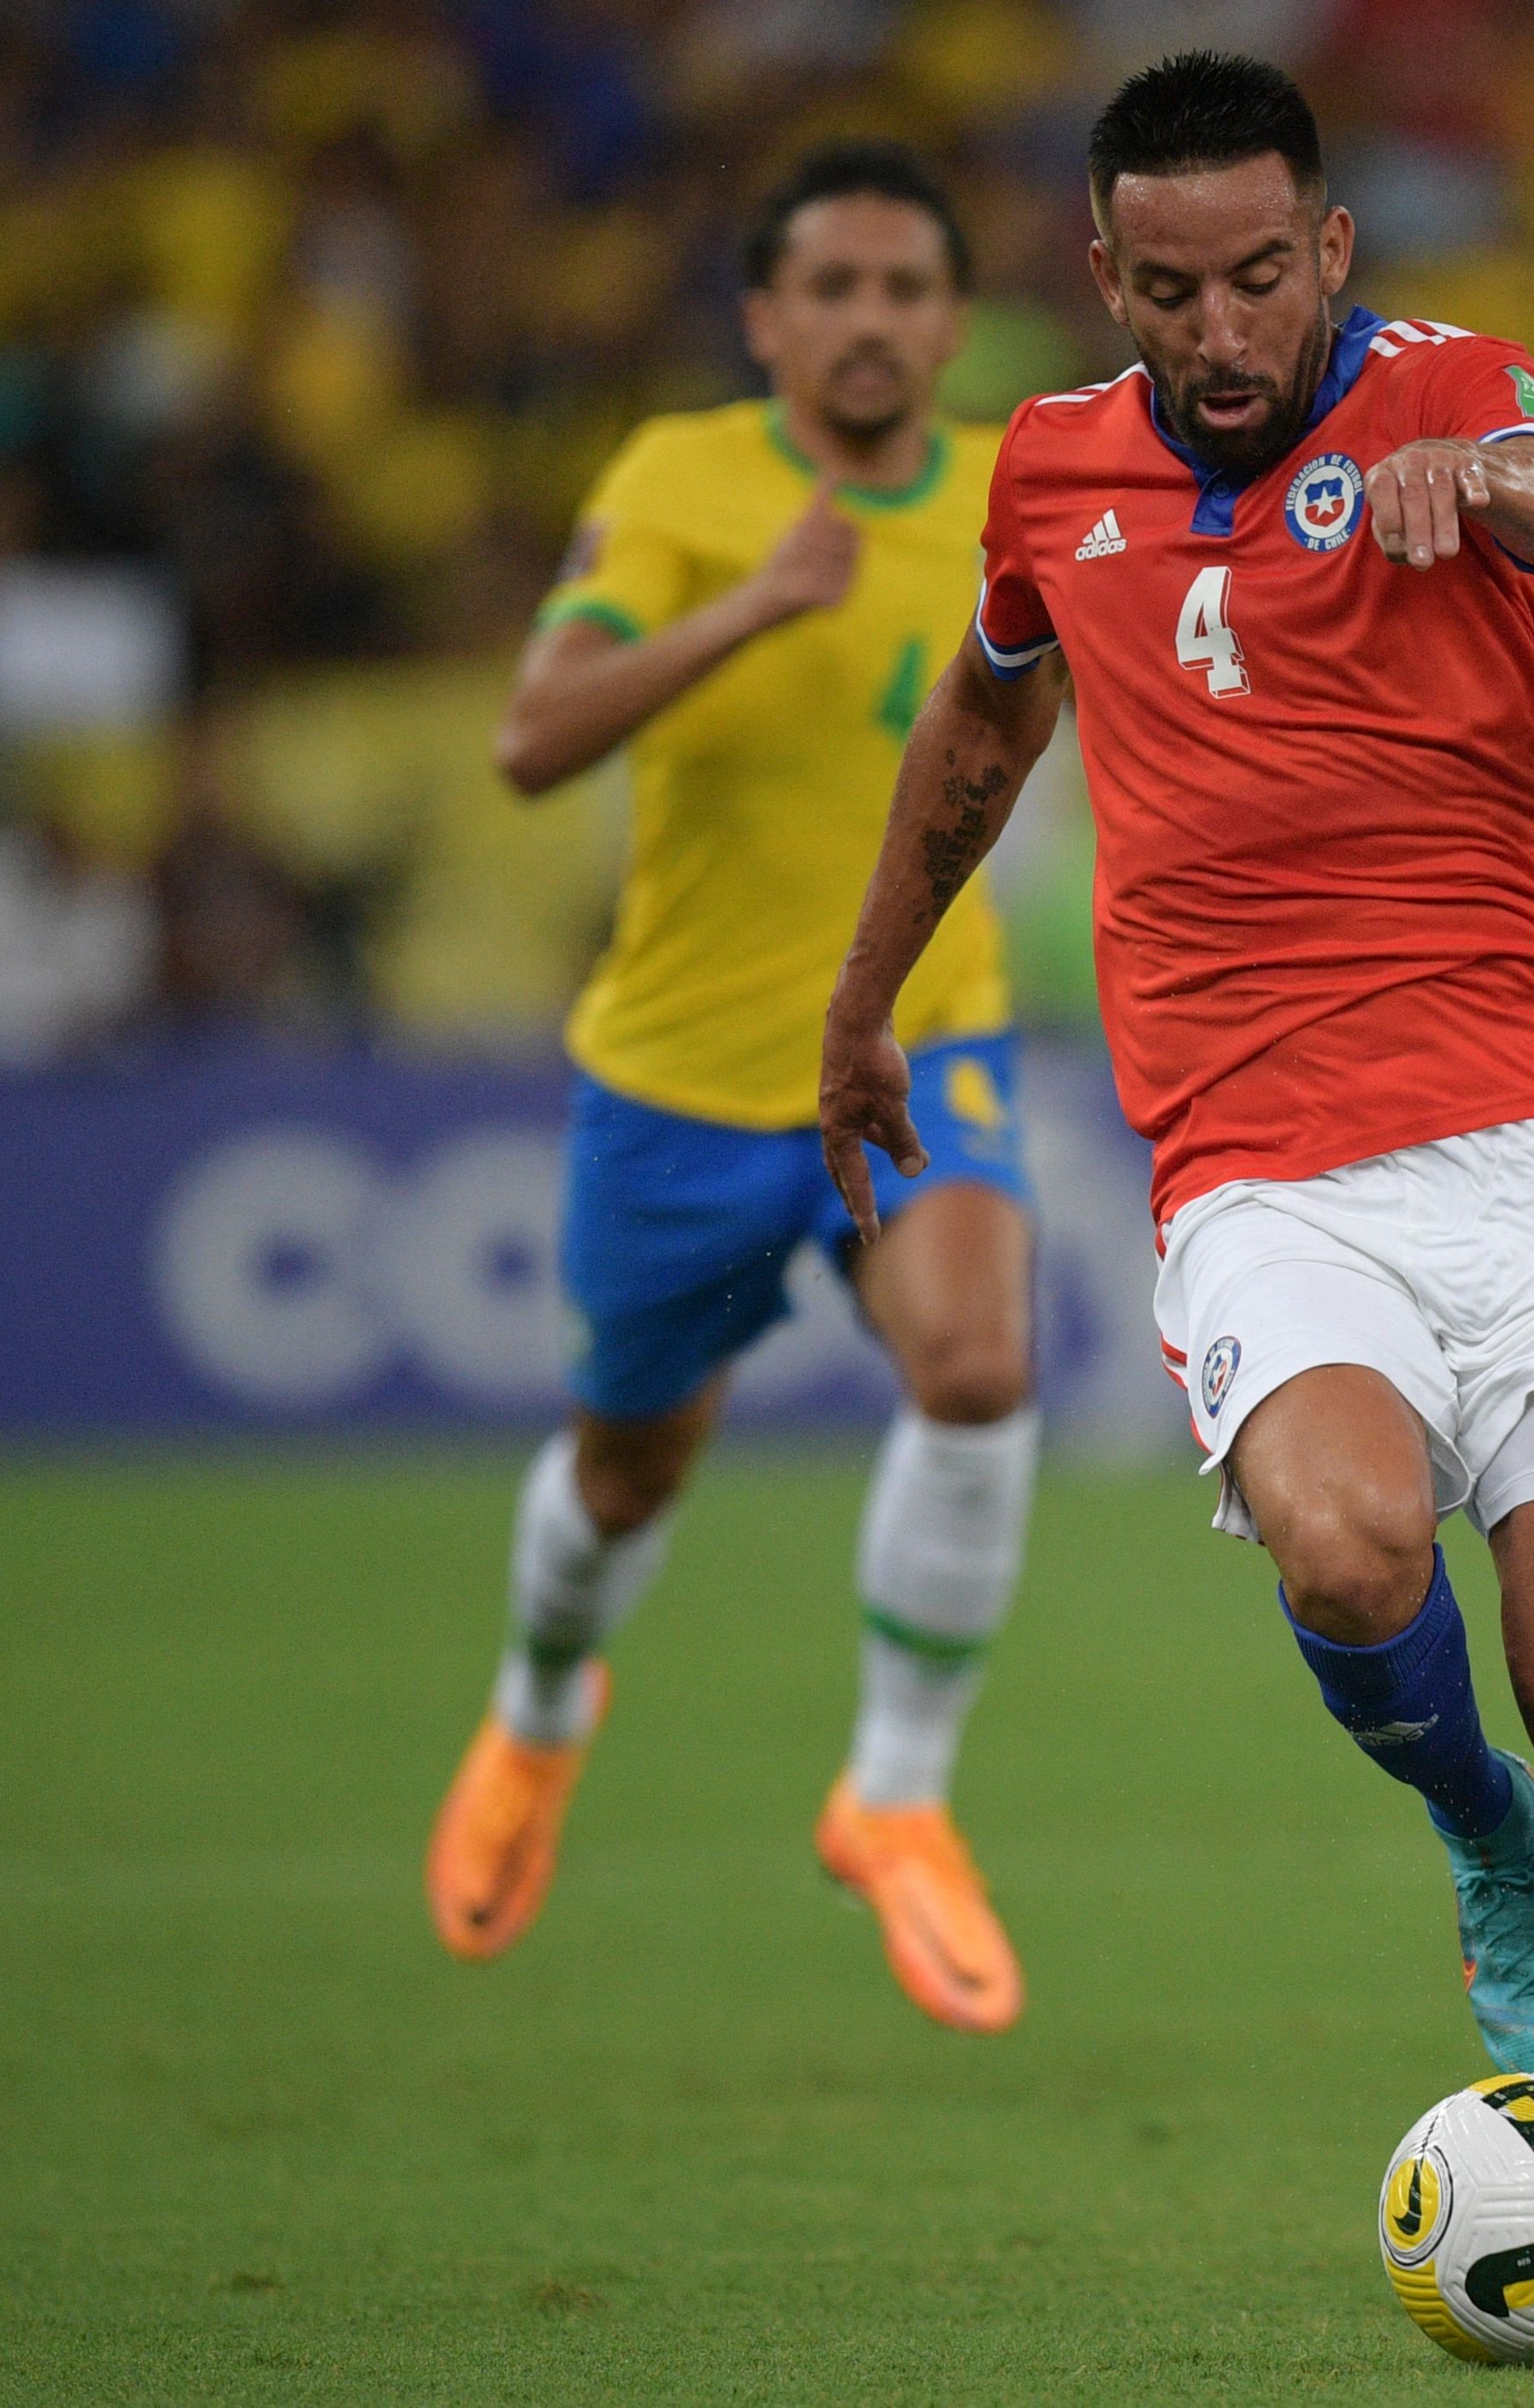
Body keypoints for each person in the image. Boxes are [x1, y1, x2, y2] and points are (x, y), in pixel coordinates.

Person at [817, 54, 1534, 2325]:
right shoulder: (1052, 469)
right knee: (1343, 1545)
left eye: (1261, 276)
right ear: (1104, 278)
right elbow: (981, 727)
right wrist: (862, 998)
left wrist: (1483, 478)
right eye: (1171, 289)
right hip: (1258, 1149)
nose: (1222, 331)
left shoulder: (1440, 383)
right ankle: (1482, 1862)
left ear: (1329, 250)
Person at [425, 142, 1039, 2037]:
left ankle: (897, 1791)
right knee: (630, 1468)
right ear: (767, 317)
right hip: (686, 1077)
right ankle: (538, 1717)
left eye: (904, 289)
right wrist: (749, 608)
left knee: (978, 1368)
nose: (869, 321)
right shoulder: (681, 483)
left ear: (950, 316)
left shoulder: (1024, 493)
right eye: (831, 289)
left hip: (929, 1038)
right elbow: (533, 738)